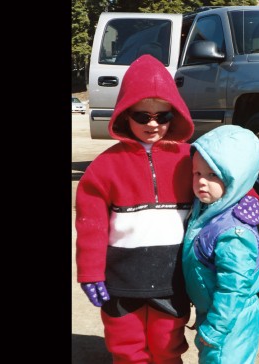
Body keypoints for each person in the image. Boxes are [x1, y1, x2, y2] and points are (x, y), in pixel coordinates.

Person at [75, 54, 195, 363]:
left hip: (173, 279)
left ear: (175, 114)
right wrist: (90, 273)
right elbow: (91, 224)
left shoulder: (192, 157)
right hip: (121, 279)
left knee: (167, 345)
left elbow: (230, 174)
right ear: (125, 115)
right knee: (126, 347)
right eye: (142, 116)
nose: (153, 124)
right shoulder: (105, 166)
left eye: (162, 116)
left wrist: (248, 199)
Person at [182, 125, 259, 364]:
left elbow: (234, 288)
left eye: (212, 175)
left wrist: (216, 329)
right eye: (197, 173)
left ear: (236, 178)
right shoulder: (210, 211)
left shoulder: (234, 233)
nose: (201, 182)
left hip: (231, 321)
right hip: (217, 314)